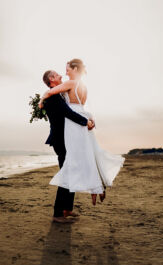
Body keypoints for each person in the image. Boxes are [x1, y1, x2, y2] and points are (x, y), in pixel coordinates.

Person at [39, 59, 124, 205]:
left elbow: (52, 93)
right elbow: (83, 107)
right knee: (87, 156)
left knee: (77, 160)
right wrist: (89, 119)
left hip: (75, 123)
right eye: (62, 72)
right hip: (81, 119)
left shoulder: (70, 84)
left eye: (67, 69)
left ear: (75, 69)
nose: (64, 73)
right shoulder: (83, 86)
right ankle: (96, 189)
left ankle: (90, 192)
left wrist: (42, 99)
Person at [42, 69, 95, 223]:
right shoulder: (53, 97)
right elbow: (68, 113)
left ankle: (67, 209)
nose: (61, 76)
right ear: (52, 79)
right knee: (67, 173)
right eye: (57, 74)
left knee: (72, 171)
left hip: (67, 139)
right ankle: (58, 214)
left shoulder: (58, 95)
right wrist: (86, 122)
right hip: (60, 140)